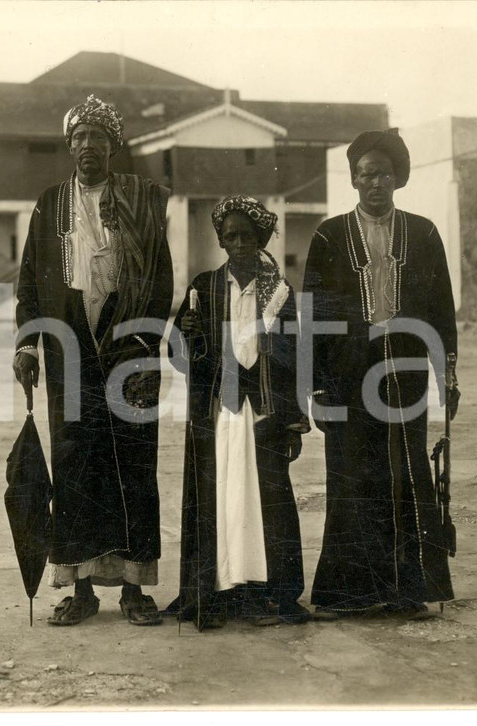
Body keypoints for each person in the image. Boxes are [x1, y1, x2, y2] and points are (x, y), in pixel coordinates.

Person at [13, 95, 173, 627]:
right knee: (75, 464)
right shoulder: (50, 203)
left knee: (133, 462)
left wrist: (146, 347)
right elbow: (31, 283)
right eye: (79, 137)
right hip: (69, 347)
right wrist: (26, 345)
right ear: (69, 144)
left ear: (113, 145)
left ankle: (134, 589)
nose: (88, 147)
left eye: (98, 138)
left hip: (130, 348)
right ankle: (80, 589)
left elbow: (160, 279)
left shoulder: (141, 197)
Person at [303, 128, 460, 619]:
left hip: (406, 370)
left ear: (397, 179)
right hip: (349, 374)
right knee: (351, 477)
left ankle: (408, 593)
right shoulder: (328, 235)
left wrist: (447, 374)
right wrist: (317, 385)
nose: (375, 183)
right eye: (366, 174)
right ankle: (346, 596)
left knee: (406, 474)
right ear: (353, 179)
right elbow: (313, 315)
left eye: (384, 174)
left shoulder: (425, 232)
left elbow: (441, 309)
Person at [166, 196, 317, 630]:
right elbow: (179, 355)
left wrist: (293, 420)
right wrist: (186, 334)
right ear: (220, 240)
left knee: (265, 503)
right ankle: (220, 591)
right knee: (222, 501)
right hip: (220, 416)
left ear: (261, 239)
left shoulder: (279, 293)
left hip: (264, 415)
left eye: (247, 236)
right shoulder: (204, 287)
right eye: (229, 236)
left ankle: (271, 594)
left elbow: (296, 358)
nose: (238, 244)